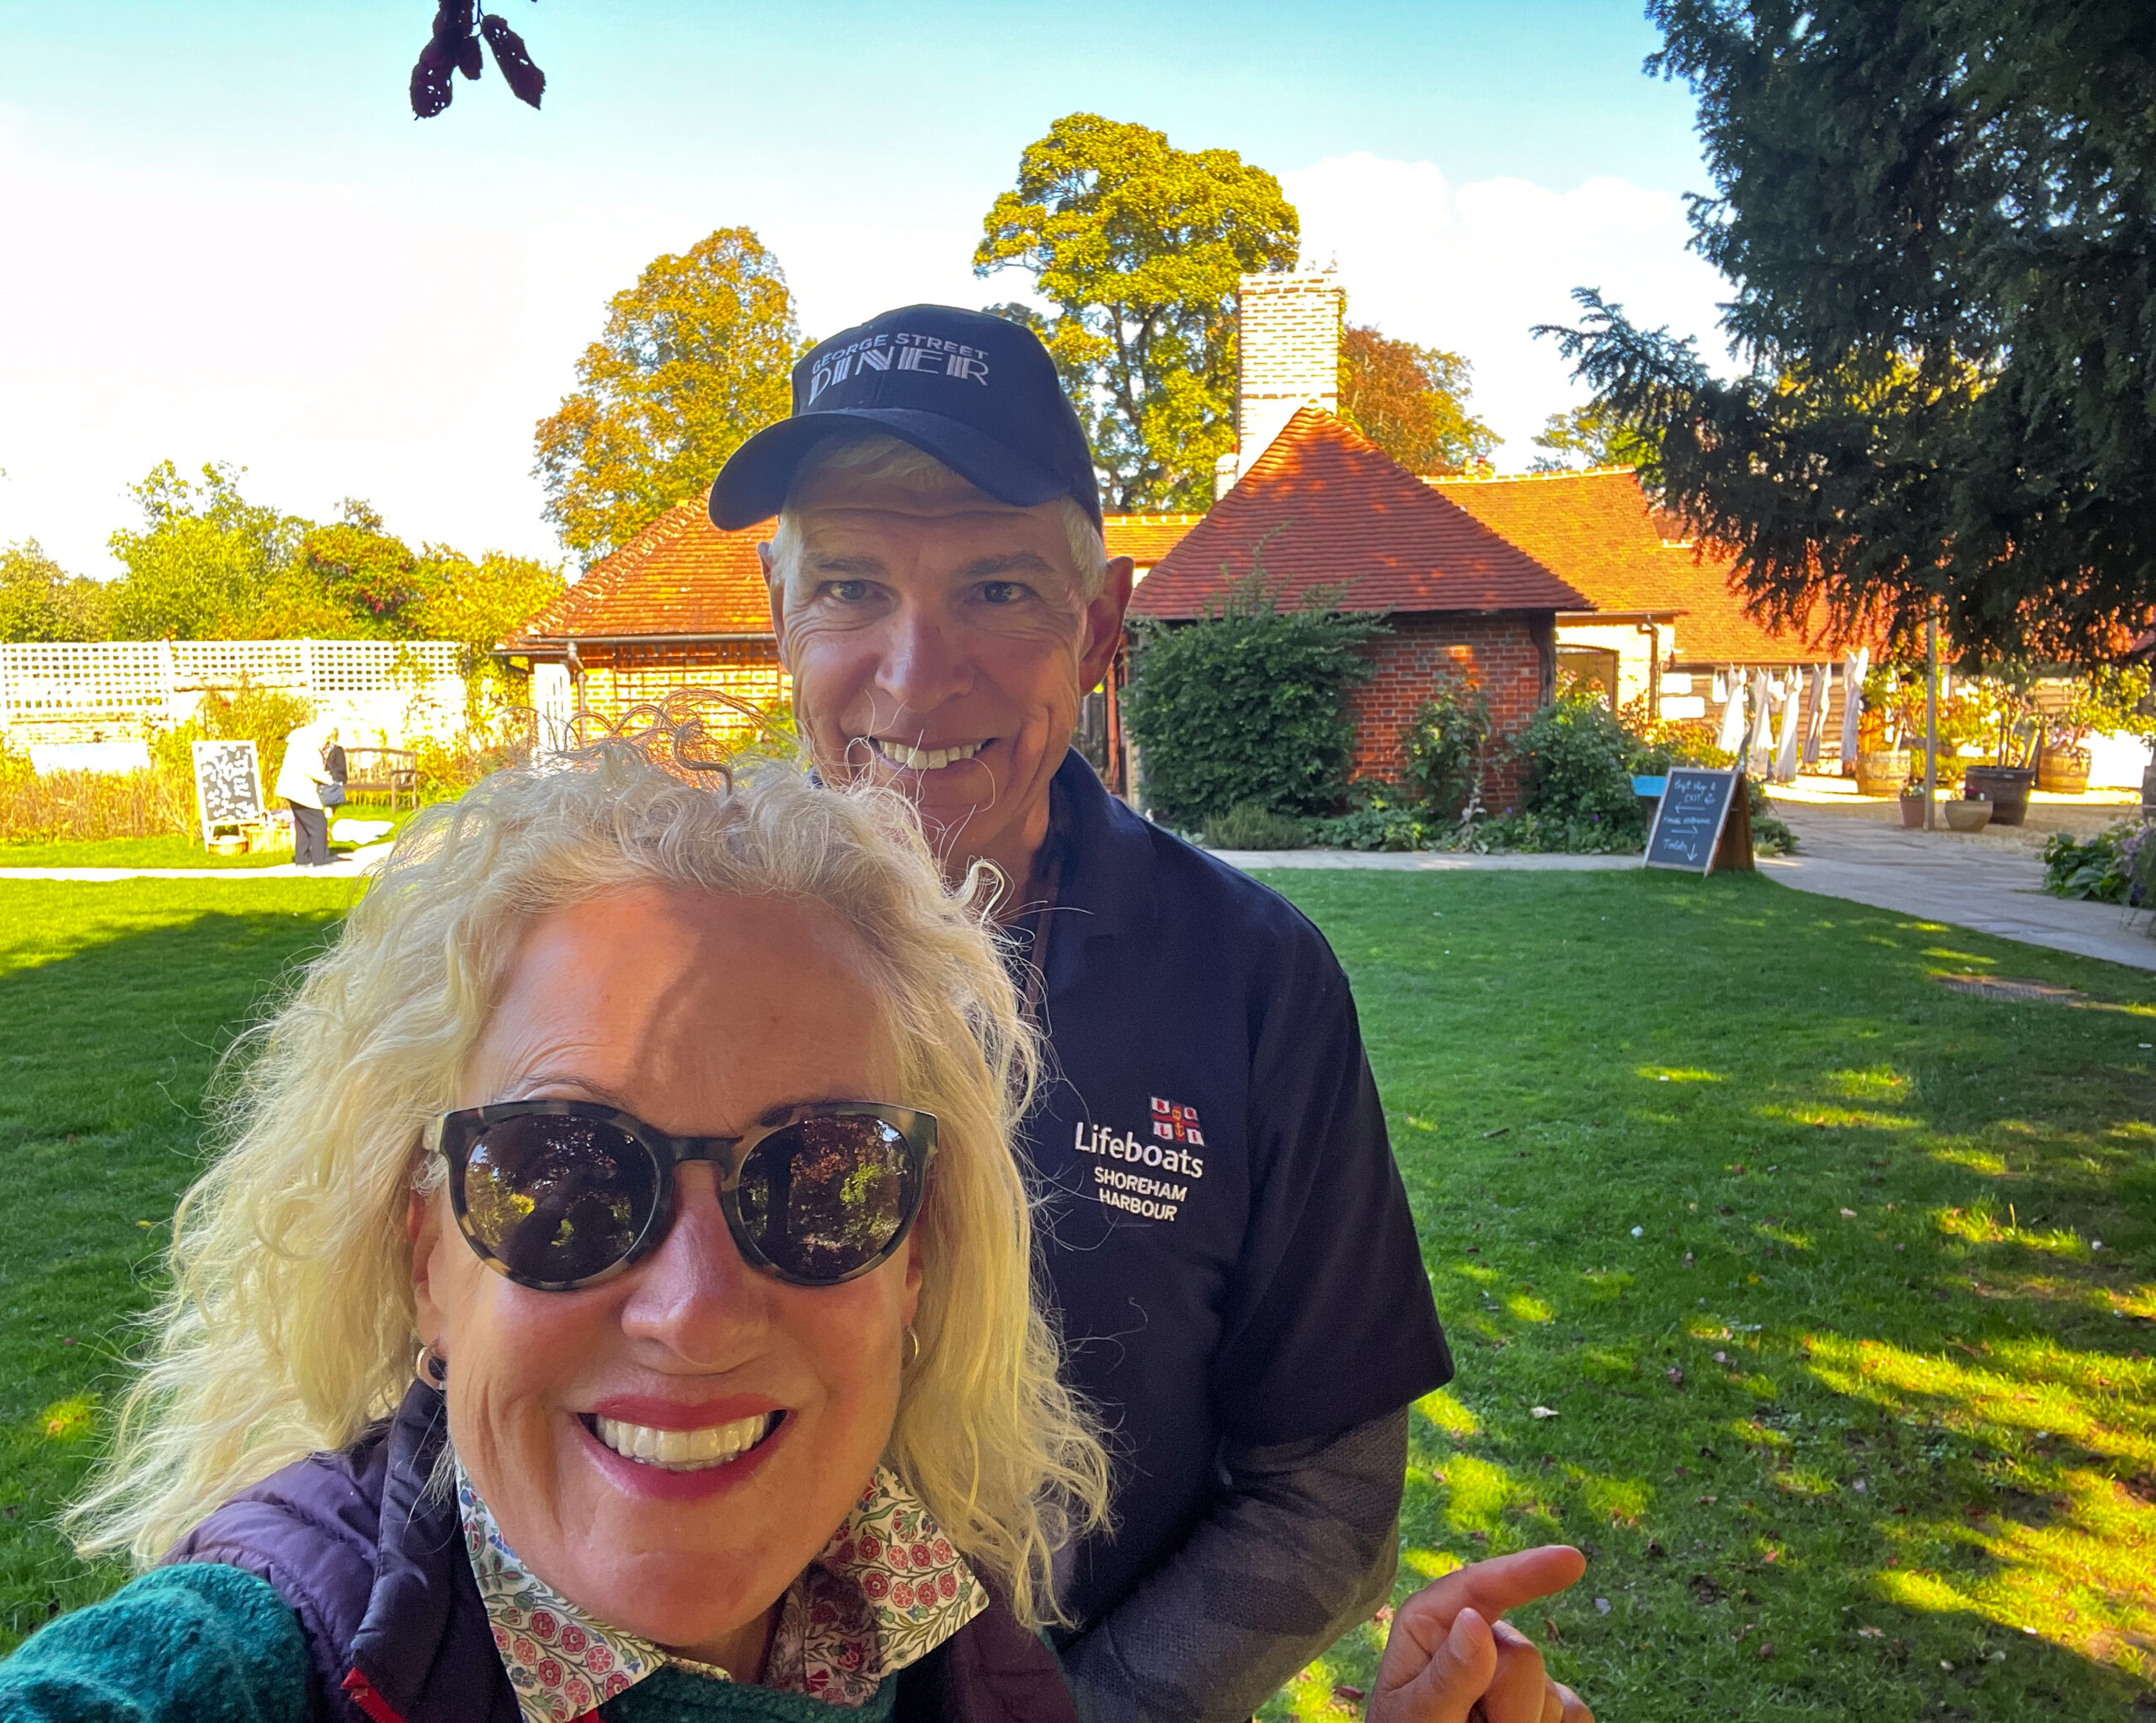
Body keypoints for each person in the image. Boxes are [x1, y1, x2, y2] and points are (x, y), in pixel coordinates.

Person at [0, 741, 1588, 1723]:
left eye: (822, 1179)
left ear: (917, 1263)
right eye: (564, 1176)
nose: (695, 1308)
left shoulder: (947, 1641)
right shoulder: (259, 1657)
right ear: (425, 1254)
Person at [710, 306, 1507, 1720]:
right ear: (780, 613)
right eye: (851, 586)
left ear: (1099, 628)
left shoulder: (1253, 981)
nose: (915, 672)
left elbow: (1327, 1491)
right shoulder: (658, 957)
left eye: (997, 588)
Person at [275, 719, 340, 867]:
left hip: (291, 789)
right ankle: (320, 859)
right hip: (301, 791)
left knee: (303, 825)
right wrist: (330, 780)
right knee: (319, 823)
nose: (326, 744)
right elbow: (312, 770)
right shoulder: (308, 745)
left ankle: (302, 858)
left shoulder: (299, 741)